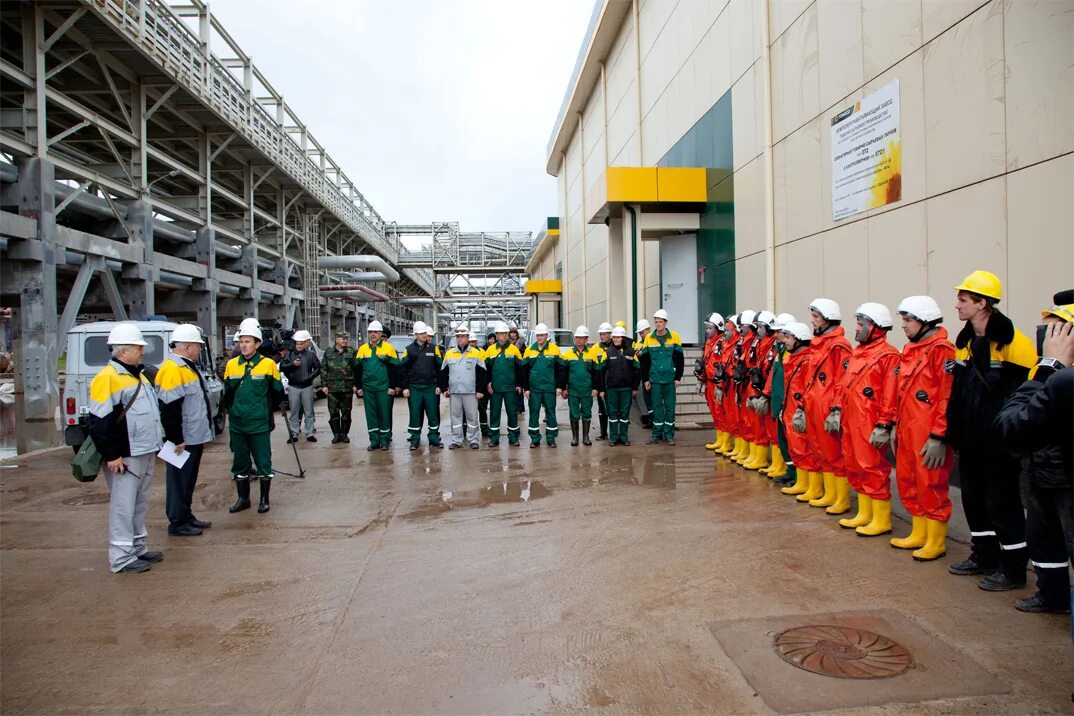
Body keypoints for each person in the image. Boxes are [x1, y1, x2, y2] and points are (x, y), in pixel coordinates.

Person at [946, 270, 1037, 591]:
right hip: (970, 443)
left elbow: (1026, 398)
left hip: (999, 445)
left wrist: (1010, 440)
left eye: (963, 299)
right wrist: (951, 433)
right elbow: (957, 394)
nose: (957, 304)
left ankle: (1013, 569)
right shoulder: (965, 344)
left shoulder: (1016, 345)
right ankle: (983, 555)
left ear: (982, 303)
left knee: (1003, 504)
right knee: (973, 500)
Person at [994, 295, 1074, 613]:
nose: (1048, 339)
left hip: (1061, 475)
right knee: (1042, 537)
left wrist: (1049, 368)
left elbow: (1012, 424)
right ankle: (1051, 594)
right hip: (1040, 468)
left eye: (1057, 332)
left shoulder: (1060, 379)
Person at [87, 323, 164, 573]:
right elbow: (99, 422)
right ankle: (121, 558)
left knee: (139, 502)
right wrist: (112, 455)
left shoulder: (138, 375)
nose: (142, 351)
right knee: (123, 505)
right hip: (125, 456)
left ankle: (137, 547)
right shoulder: (106, 379)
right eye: (138, 347)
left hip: (144, 450)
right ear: (123, 351)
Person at [888, 296, 955, 558]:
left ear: (925, 320)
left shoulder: (941, 350)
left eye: (907, 320)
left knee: (930, 482)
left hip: (927, 431)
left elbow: (946, 395)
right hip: (908, 428)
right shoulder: (910, 349)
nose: (903, 325)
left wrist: (939, 435)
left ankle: (936, 541)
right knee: (908, 479)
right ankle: (919, 532)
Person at [830, 303, 900, 534]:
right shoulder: (858, 352)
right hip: (852, 419)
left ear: (875, 327)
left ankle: (881, 520)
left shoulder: (888, 355)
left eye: (861, 324)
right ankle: (865, 513)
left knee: (872, 467)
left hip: (869, 421)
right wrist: (838, 410)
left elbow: (890, 392)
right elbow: (844, 385)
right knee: (854, 463)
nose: (856, 329)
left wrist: (884, 423)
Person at [155, 324, 214, 537]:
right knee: (179, 480)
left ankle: (186, 515)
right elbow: (169, 408)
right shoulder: (172, 369)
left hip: (193, 436)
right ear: (187, 346)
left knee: (188, 479)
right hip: (183, 440)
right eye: (197, 346)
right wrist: (175, 438)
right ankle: (177, 521)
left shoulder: (186, 366)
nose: (199, 349)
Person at [223, 322, 284, 514]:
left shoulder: (268, 365)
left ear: (257, 344)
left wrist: (266, 412)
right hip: (238, 423)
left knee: (263, 462)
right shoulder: (231, 366)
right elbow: (227, 395)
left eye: (247, 341)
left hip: (259, 423)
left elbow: (278, 392)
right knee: (240, 463)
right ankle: (243, 499)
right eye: (241, 342)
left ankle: (264, 500)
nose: (243, 345)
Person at [800, 299, 852, 512]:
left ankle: (841, 499)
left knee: (834, 454)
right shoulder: (818, 343)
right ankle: (830, 494)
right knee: (821, 451)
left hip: (827, 407)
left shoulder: (838, 345)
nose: (812, 321)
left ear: (827, 318)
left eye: (815, 316)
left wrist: (836, 409)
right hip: (815, 404)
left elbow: (842, 379)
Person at [778, 322, 825, 499]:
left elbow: (808, 388)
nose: (785, 341)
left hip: (799, 410)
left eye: (789, 337)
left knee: (805, 448)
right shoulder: (794, 359)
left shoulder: (805, 361)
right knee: (796, 447)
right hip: (792, 409)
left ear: (799, 340)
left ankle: (814, 487)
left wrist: (802, 409)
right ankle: (803, 483)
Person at [353, 320, 401, 452]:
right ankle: (374, 441)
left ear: (381, 334)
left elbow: (395, 368)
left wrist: (392, 386)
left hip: (383, 388)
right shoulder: (362, 349)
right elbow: (357, 369)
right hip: (368, 389)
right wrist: (359, 387)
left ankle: (385, 441)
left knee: (384, 414)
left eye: (375, 332)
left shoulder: (388, 348)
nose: (373, 334)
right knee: (371, 415)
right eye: (370, 332)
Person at [639, 309, 685, 445]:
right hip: (655, 379)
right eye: (656, 322)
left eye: (660, 322)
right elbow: (645, 361)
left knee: (670, 408)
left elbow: (679, 359)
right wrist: (646, 379)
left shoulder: (674, 337)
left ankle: (669, 435)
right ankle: (656, 434)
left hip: (669, 379)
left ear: (665, 322)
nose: (658, 324)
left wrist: (677, 377)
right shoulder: (649, 338)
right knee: (657, 407)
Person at [761, 313, 797, 483]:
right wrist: (765, 394)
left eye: (778, 332)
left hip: (788, 403)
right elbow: (772, 376)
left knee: (794, 441)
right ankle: (790, 471)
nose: (775, 335)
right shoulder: (780, 352)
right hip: (778, 402)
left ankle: (798, 476)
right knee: (783, 440)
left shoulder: (793, 354)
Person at [439, 326, 487, 449]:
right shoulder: (449, 353)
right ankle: (456, 439)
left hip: (471, 391)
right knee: (455, 417)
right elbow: (443, 372)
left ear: (467, 338)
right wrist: (444, 389)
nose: (460, 339)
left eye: (462, 336)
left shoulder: (476, 353)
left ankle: (473, 439)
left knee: (472, 417)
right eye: (458, 336)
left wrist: (480, 390)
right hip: (454, 391)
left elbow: (482, 373)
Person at [398, 322, 444, 450]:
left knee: (433, 414)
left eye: (425, 333)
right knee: (415, 414)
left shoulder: (434, 348)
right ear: (416, 334)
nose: (424, 335)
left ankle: (434, 439)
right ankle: (414, 440)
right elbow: (402, 369)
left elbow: (440, 368)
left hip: (431, 387)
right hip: (414, 388)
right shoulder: (408, 350)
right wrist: (405, 387)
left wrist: (439, 385)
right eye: (422, 333)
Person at [520, 323, 566, 448]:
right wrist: (526, 388)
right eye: (538, 335)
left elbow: (561, 369)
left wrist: (559, 386)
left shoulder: (554, 349)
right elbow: (524, 370)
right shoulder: (529, 350)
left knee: (551, 412)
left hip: (549, 388)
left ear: (547, 336)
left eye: (542, 335)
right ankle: (534, 439)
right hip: (534, 388)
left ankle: (551, 438)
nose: (540, 338)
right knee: (534, 413)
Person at [744, 311, 779, 471]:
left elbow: (772, 372)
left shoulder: (773, 346)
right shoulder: (761, 344)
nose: (757, 330)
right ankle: (761, 458)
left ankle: (778, 465)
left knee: (772, 430)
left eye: (760, 327)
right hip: (759, 388)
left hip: (769, 392)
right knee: (756, 424)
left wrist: (765, 393)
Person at [562, 325, 606, 446]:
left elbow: (597, 373)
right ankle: (575, 438)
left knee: (586, 413)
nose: (579, 340)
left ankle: (585, 437)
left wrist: (596, 388)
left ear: (586, 339)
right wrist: (564, 388)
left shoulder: (591, 354)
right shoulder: (568, 354)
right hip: (573, 390)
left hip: (587, 390)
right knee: (574, 414)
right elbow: (564, 373)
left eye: (581, 338)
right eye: (577, 338)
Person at [483, 322, 523, 447]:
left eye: (505, 333)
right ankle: (494, 438)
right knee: (494, 413)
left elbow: (519, 369)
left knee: (512, 413)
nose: (504, 336)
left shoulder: (514, 349)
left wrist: (519, 384)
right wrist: (488, 383)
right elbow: (486, 369)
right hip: (495, 388)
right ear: (496, 335)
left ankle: (513, 437)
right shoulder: (490, 350)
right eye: (501, 334)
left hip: (510, 387)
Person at [281, 329, 321, 443]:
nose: (299, 346)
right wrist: (292, 365)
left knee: (309, 411)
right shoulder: (289, 354)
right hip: (293, 386)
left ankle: (309, 433)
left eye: (301, 343)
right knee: (294, 411)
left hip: (307, 386)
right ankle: (294, 433)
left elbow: (318, 368)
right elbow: (283, 367)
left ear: (305, 344)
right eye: (297, 343)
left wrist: (310, 377)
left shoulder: (310, 355)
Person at [604, 325, 641, 445]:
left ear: (623, 338)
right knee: (613, 413)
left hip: (626, 388)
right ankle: (613, 438)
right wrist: (601, 388)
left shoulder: (631, 352)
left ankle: (624, 438)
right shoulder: (608, 352)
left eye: (618, 337)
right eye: (614, 337)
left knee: (625, 413)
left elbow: (637, 370)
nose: (616, 339)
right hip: (612, 388)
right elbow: (601, 371)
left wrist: (635, 387)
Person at [730, 310, 758, 463]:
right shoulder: (743, 342)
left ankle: (755, 455)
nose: (740, 329)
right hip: (741, 384)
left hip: (750, 385)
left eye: (743, 326)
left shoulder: (753, 343)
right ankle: (746, 451)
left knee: (751, 421)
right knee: (740, 419)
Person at [320, 329, 357, 444]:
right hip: (332, 388)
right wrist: (324, 385)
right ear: (336, 339)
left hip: (347, 387)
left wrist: (356, 384)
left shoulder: (351, 352)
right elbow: (324, 368)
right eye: (342, 338)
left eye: (346, 339)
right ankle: (336, 434)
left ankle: (344, 434)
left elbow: (356, 369)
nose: (345, 341)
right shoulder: (329, 352)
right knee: (333, 413)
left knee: (346, 413)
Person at [715, 315, 742, 457]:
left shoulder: (737, 345)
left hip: (734, 384)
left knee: (737, 417)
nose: (725, 333)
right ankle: (732, 445)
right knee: (727, 415)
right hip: (726, 383)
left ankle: (739, 447)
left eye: (728, 330)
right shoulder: (725, 344)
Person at [702, 313, 726, 453]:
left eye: (710, 328)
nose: (707, 331)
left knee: (720, 412)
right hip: (710, 382)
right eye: (706, 328)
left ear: (718, 328)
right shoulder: (709, 343)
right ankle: (720, 439)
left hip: (717, 383)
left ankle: (725, 442)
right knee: (715, 412)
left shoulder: (721, 343)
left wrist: (720, 385)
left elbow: (722, 364)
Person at [595, 322, 614, 440]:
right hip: (600, 383)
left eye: (604, 334)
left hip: (613, 383)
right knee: (602, 409)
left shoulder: (616, 347)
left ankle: (614, 433)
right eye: (601, 334)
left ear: (610, 334)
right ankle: (603, 433)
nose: (602, 336)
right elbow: (594, 368)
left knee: (613, 409)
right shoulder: (595, 348)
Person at [634, 319, 654, 429]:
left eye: (643, 332)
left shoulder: (654, 340)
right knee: (647, 399)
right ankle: (650, 419)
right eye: (640, 333)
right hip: (643, 373)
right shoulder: (638, 344)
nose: (642, 334)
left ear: (648, 329)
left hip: (654, 373)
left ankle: (659, 421)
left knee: (656, 398)